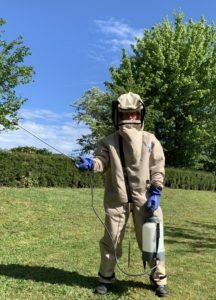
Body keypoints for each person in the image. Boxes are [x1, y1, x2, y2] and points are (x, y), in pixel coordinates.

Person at [75, 92, 168, 297]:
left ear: (140, 115)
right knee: (112, 239)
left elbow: (157, 168)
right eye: (126, 114)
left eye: (134, 113)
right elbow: (101, 161)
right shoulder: (108, 142)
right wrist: (91, 164)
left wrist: (155, 191)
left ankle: (159, 279)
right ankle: (105, 278)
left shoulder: (151, 141)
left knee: (153, 239)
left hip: (146, 201)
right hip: (116, 200)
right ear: (117, 115)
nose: (130, 118)